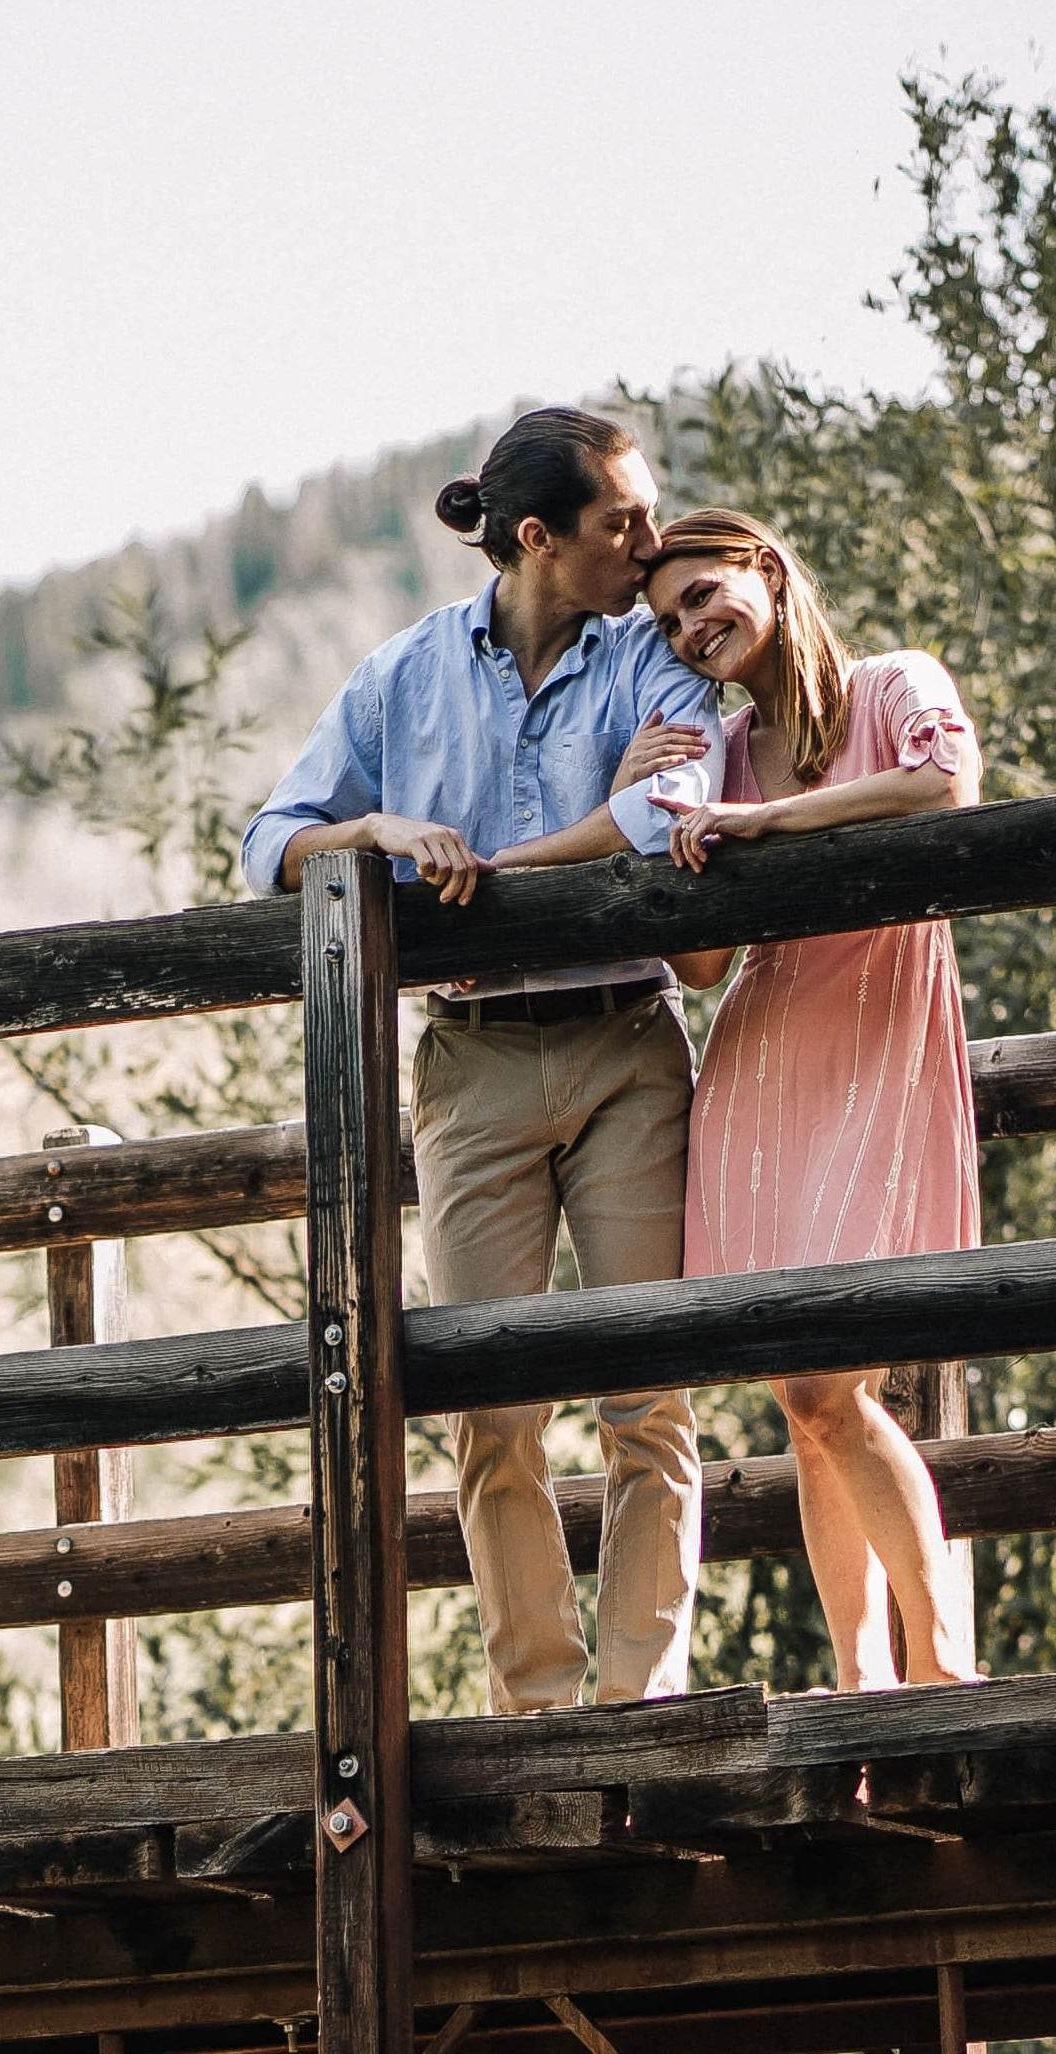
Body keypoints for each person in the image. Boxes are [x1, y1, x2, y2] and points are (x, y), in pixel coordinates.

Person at [241, 407, 720, 1715]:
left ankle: (639, 1703)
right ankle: (539, 1710)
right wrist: (381, 828)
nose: (649, 541)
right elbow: (266, 841)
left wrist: (498, 862)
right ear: (537, 539)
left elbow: (664, 812)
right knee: (490, 1412)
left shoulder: (657, 663)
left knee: (649, 1391)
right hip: (468, 1062)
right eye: (622, 522)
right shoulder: (400, 678)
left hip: (629, 1042)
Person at [493, 505, 982, 1691]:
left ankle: (940, 1667)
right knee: (801, 1395)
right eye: (669, 619)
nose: (694, 626)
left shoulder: (887, 685)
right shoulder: (711, 742)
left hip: (881, 1032)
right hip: (765, 1054)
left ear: (765, 568)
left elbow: (944, 786)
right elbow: (703, 966)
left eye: (707, 594)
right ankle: (863, 1680)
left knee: (831, 1381)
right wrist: (643, 818)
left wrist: (765, 825)